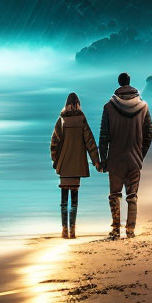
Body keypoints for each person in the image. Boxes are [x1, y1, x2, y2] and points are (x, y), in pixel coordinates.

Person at [99, 72, 152, 239]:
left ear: (119, 83)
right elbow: (149, 134)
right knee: (132, 196)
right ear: (130, 83)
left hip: (115, 159)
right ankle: (130, 230)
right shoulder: (143, 107)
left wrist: (103, 159)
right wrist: (141, 154)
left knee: (114, 195)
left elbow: (103, 136)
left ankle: (115, 230)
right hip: (134, 159)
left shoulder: (108, 107)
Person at [50, 92, 100, 239]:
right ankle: (73, 230)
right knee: (75, 200)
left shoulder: (62, 120)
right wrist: (96, 160)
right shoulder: (82, 119)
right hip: (77, 166)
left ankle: (64, 230)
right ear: (78, 103)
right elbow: (90, 142)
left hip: (64, 166)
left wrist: (56, 161)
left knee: (63, 200)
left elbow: (54, 144)